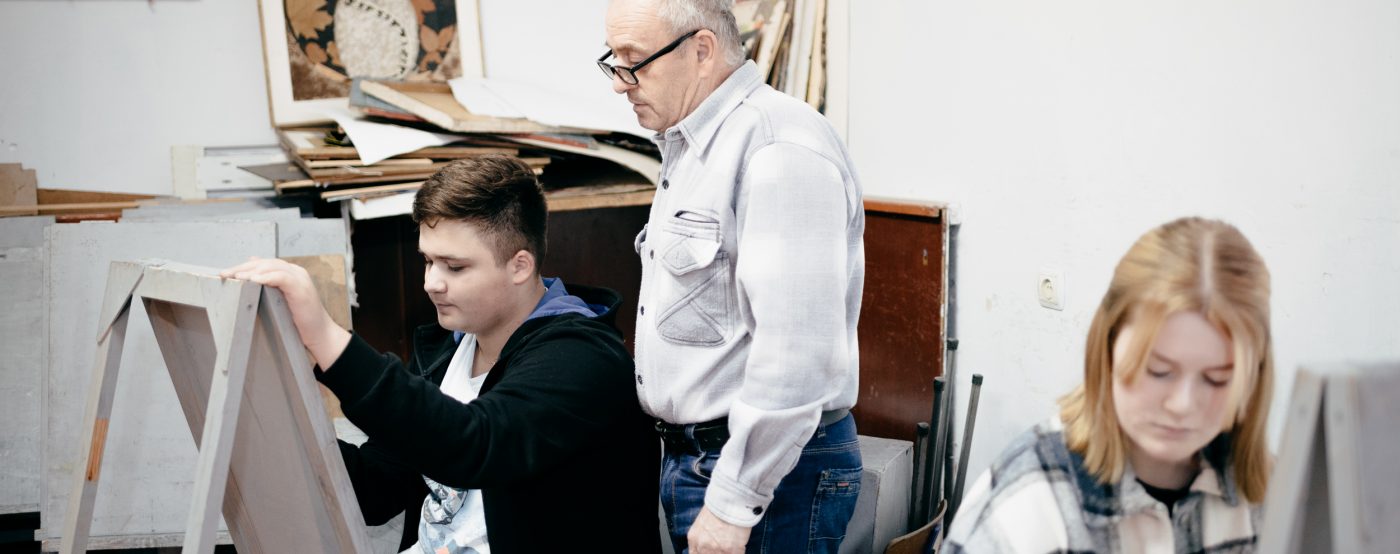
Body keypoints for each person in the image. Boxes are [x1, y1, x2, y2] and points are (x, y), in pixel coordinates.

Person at [221, 156, 661, 553]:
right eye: (428, 261)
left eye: (455, 266)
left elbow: (476, 443)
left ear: (520, 266)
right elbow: (376, 490)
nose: (431, 283)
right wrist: (274, 410)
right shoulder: (445, 351)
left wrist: (328, 340)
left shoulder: (583, 357)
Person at [600, 0, 866, 551]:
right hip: (703, 459)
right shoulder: (694, 146)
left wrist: (733, 503)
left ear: (701, 50)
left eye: (634, 62)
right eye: (614, 61)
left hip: (769, 473)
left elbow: (796, 354)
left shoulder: (776, 147)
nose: (621, 83)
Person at [944, 217, 1275, 553]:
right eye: (1158, 371)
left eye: (1217, 379)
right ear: (1106, 350)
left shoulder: (1271, 498)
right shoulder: (1026, 506)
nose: (1182, 404)